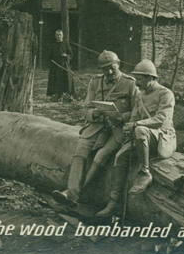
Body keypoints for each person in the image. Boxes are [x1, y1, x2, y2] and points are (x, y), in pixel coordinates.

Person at [53, 50, 135, 205]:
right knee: (81, 150)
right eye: (105, 69)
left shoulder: (130, 83)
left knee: (101, 156)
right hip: (97, 127)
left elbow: (138, 111)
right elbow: (85, 109)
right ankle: (71, 193)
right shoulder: (95, 82)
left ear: (118, 64)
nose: (109, 72)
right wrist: (94, 113)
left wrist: (121, 117)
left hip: (118, 130)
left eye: (112, 67)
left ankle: (77, 193)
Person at [97, 59, 176, 217]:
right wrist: (128, 126)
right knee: (119, 157)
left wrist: (137, 124)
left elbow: (161, 119)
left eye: (139, 80)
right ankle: (113, 202)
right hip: (142, 136)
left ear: (150, 78)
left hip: (163, 136)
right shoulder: (140, 97)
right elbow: (134, 118)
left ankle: (145, 173)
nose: (137, 83)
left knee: (140, 130)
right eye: (136, 80)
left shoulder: (165, 94)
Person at [46, 30, 74, 99]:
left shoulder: (66, 45)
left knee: (66, 80)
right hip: (55, 67)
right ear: (55, 36)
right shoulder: (53, 46)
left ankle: (67, 94)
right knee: (56, 80)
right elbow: (49, 57)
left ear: (62, 35)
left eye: (60, 35)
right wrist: (52, 62)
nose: (59, 36)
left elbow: (71, 55)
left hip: (65, 66)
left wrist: (66, 56)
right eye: (57, 35)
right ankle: (56, 94)